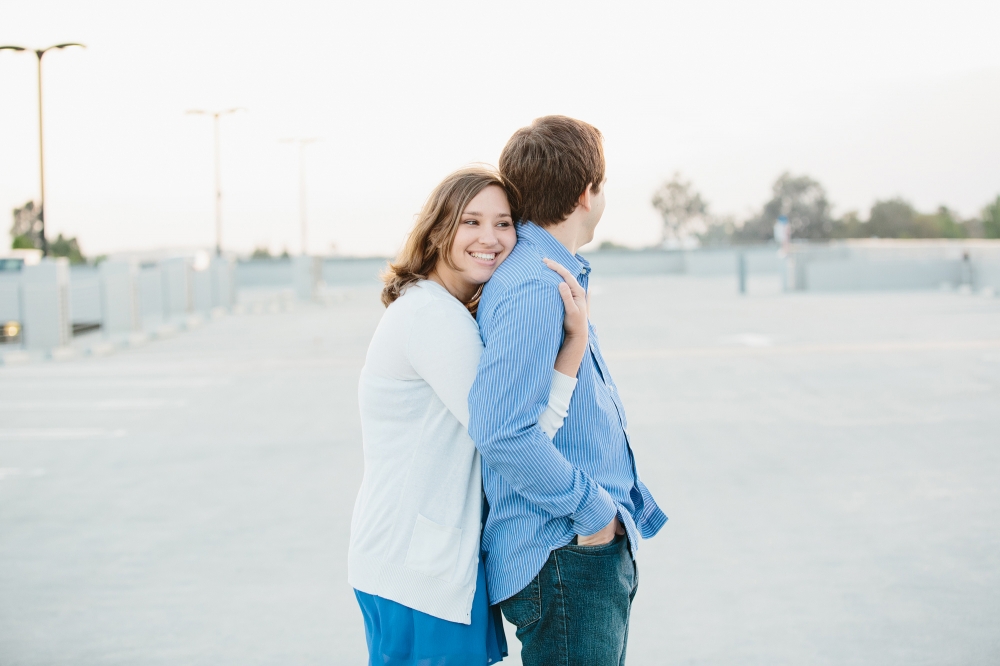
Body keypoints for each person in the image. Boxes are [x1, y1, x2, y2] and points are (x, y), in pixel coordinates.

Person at [348, 166, 591, 665]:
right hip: (416, 568)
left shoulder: (438, 310)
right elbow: (517, 435)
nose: (491, 238)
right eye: (472, 222)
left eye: (504, 224)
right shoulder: (432, 318)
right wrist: (574, 344)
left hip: (418, 561)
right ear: (440, 230)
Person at [469, 116, 668, 665]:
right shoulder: (535, 284)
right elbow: (502, 430)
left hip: (574, 551)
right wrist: (595, 515)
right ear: (588, 192)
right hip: (565, 554)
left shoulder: (546, 269)